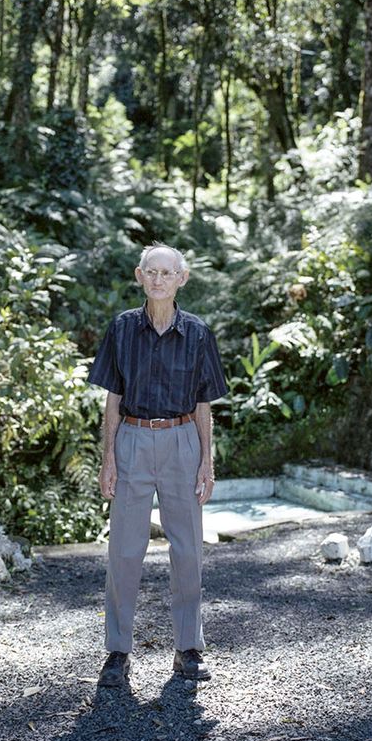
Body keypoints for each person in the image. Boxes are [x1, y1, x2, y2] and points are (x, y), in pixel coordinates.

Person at [87, 242, 228, 688]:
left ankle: (188, 649)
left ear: (182, 279)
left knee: (187, 550)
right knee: (124, 552)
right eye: (152, 272)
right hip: (130, 439)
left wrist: (207, 460)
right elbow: (112, 398)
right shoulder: (122, 329)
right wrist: (107, 457)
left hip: (183, 440)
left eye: (168, 273)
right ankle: (117, 653)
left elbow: (205, 402)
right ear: (140, 276)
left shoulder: (200, 334)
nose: (160, 279)